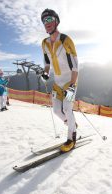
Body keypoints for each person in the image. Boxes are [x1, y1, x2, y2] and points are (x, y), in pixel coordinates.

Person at [40, 9, 79, 152]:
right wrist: (45, 73)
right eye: (44, 21)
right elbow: (47, 63)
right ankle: (72, 124)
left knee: (68, 108)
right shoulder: (44, 43)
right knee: (57, 110)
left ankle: (71, 139)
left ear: (56, 21)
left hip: (70, 82)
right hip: (57, 83)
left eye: (49, 19)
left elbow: (75, 66)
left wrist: (73, 85)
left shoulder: (65, 40)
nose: (47, 23)